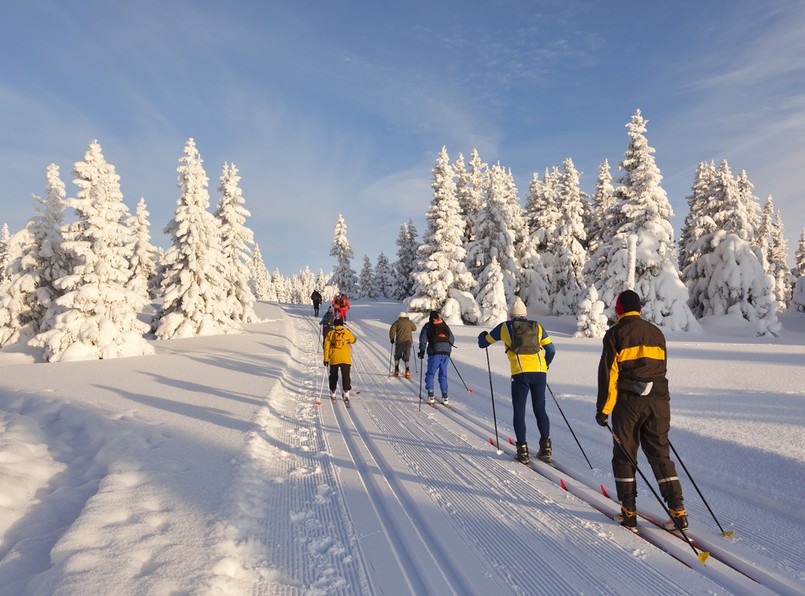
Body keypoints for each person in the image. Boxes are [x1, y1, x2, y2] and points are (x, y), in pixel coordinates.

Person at [595, 289, 687, 532]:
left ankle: (628, 512)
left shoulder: (615, 334)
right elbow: (661, 369)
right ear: (640, 309)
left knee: (625, 455)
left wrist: (603, 410)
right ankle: (678, 511)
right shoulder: (657, 333)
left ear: (619, 309)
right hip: (659, 402)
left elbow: (609, 376)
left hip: (629, 403)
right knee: (660, 455)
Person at [477, 297, 556, 464]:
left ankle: (523, 451)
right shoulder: (537, 327)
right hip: (540, 371)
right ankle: (546, 447)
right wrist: (545, 365)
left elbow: (483, 344)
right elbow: (551, 349)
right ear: (525, 315)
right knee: (540, 409)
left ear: (510, 315)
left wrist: (482, 336)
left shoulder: (505, 327)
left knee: (519, 410)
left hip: (520, 373)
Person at [417, 311, 454, 405]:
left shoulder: (428, 326)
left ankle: (431, 395)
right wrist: (447, 348)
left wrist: (422, 351)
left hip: (434, 352)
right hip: (446, 353)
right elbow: (452, 339)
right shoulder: (444, 324)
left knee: (430, 374)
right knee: (443, 374)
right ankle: (445, 397)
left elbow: (423, 339)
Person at [324, 317, 357, 403]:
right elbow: (354, 340)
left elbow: (326, 347)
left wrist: (326, 359)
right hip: (345, 358)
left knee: (333, 376)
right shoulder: (346, 332)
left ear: (334, 325)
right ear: (342, 324)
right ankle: (346, 392)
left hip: (334, 357)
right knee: (346, 375)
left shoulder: (331, 333)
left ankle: (333, 392)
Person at [389, 312, 417, 378]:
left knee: (397, 355)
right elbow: (414, 329)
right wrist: (411, 323)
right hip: (408, 342)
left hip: (399, 341)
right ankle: (407, 371)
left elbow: (392, 330)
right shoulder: (409, 322)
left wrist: (392, 338)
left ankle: (396, 370)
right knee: (406, 355)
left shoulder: (397, 322)